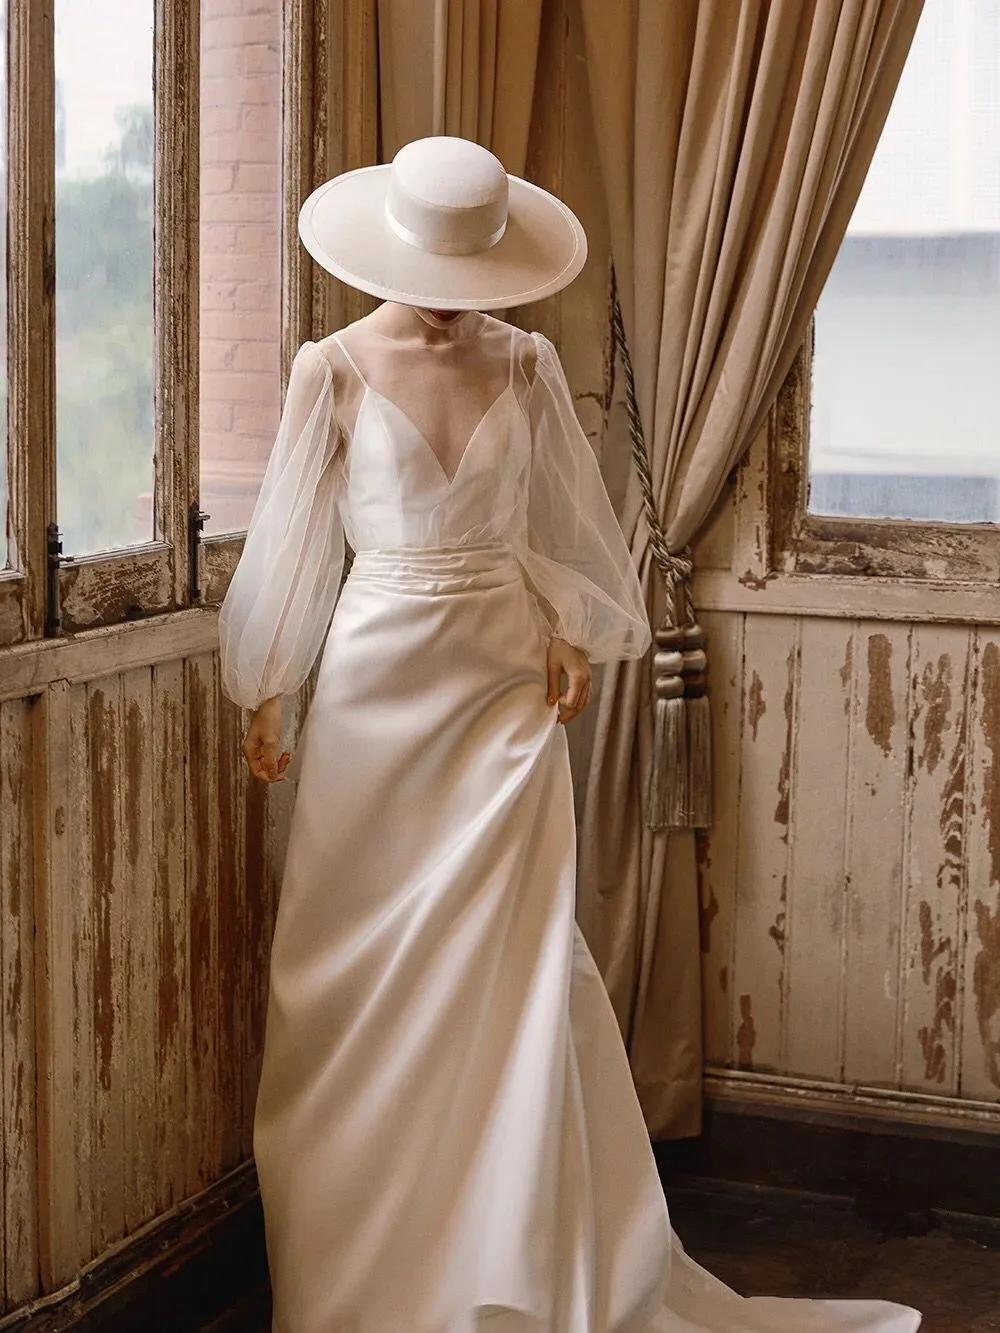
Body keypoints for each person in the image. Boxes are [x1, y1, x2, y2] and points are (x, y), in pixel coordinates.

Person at [219, 136, 920, 1333]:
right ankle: (364, 1275)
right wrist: (269, 684)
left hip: (496, 685)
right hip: (377, 685)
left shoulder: (529, 360)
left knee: (521, 960)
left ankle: (518, 1255)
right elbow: (290, 541)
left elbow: (560, 517)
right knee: (347, 975)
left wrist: (571, 631)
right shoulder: (328, 368)